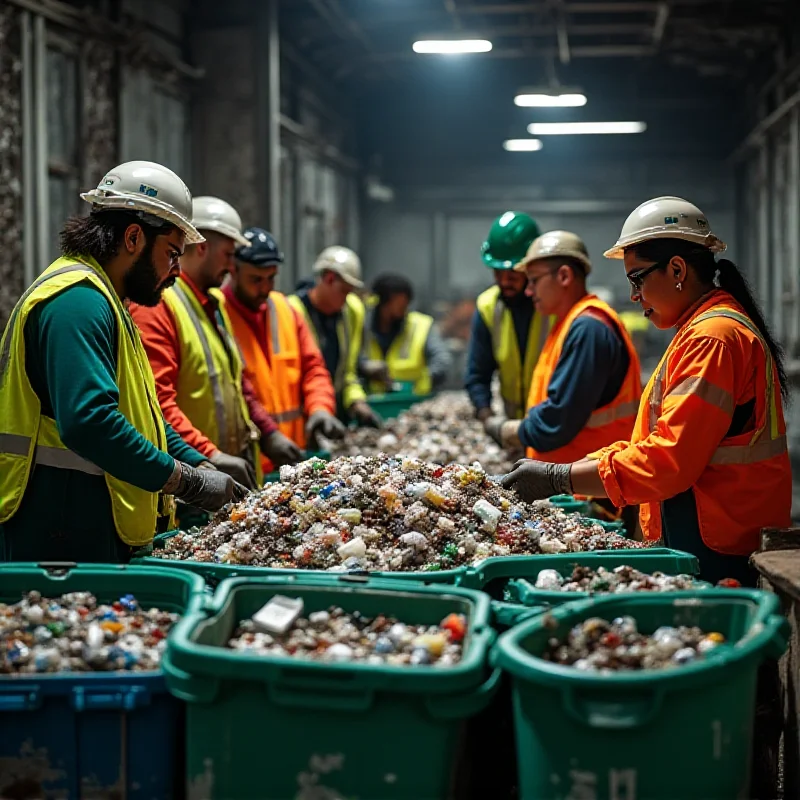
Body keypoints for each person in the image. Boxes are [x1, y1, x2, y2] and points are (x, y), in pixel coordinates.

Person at [500, 197, 792, 585]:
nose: (634, 295)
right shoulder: (698, 331)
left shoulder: (712, 338)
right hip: (708, 526)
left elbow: (670, 460)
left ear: (676, 269)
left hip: (718, 541)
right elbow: (661, 441)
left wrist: (561, 477)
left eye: (637, 278)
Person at [0, 161, 247, 562]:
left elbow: (142, 414)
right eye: (171, 254)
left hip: (84, 526)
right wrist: (187, 482)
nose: (176, 272)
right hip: (56, 533)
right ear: (133, 237)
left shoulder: (107, 302)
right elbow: (90, 422)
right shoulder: (77, 302)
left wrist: (200, 460)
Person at [131, 197, 303, 493]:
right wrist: (207, 454)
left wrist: (268, 432)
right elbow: (156, 404)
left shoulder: (213, 303)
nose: (231, 265)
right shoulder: (158, 306)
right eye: (228, 254)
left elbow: (237, 384)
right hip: (189, 486)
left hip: (219, 479)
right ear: (201, 248)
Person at [485, 230, 641, 458]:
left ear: (564, 276)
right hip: (571, 483)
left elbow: (557, 420)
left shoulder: (589, 329)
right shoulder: (566, 324)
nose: (528, 291)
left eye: (534, 280)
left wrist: (508, 431)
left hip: (588, 484)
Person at [222, 227, 345, 473]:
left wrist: (320, 408)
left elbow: (313, 368)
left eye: (271, 278)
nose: (265, 288)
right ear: (233, 269)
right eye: (256, 279)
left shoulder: (285, 309)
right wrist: (269, 435)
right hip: (246, 465)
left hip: (291, 459)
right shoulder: (217, 312)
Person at [465, 211, 551, 421]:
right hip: (515, 428)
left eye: (512, 274)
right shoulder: (488, 306)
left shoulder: (554, 306)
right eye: (497, 273)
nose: (504, 282)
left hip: (557, 430)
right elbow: (478, 373)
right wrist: (485, 413)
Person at [288, 246, 382, 427]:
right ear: (328, 278)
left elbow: (347, 372)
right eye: (344, 291)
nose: (347, 298)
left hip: (333, 415)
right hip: (301, 420)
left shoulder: (351, 312)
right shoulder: (291, 311)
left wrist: (356, 402)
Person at [361, 273, 451, 394]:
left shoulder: (421, 325)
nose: (404, 308)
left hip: (411, 401)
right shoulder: (362, 328)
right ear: (382, 303)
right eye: (399, 304)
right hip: (372, 402)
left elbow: (442, 360)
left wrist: (427, 379)